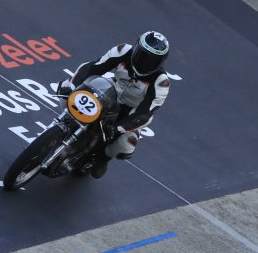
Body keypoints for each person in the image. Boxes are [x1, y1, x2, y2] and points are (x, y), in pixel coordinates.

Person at [53, 30, 172, 177]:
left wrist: (118, 128)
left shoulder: (161, 82)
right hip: (109, 92)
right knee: (66, 88)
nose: (145, 62)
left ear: (161, 62)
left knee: (127, 143)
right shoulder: (123, 51)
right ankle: (63, 123)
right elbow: (93, 67)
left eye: (151, 60)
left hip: (130, 111)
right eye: (142, 55)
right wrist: (72, 86)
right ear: (136, 48)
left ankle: (104, 157)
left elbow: (145, 113)